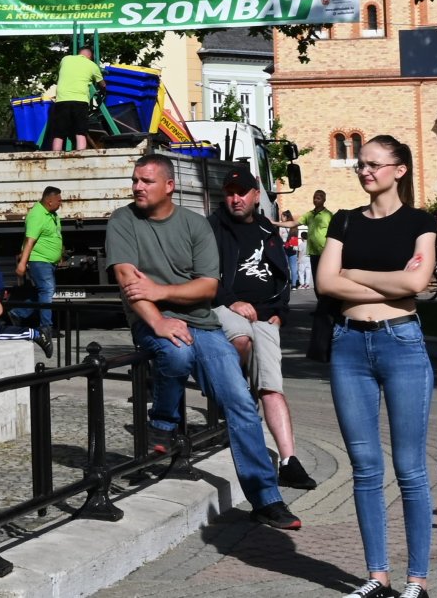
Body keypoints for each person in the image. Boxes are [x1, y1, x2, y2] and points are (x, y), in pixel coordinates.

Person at [106, 155, 299, 531]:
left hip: (203, 322)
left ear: (169, 186)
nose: (137, 187)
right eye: (135, 180)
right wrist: (159, 320)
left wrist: (161, 290)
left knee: (241, 402)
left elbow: (208, 286)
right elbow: (129, 282)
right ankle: (163, 422)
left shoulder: (194, 225)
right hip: (151, 318)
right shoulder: (123, 220)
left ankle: (266, 499)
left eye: (146, 181)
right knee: (177, 354)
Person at [316, 135, 437, 598]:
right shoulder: (344, 221)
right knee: (365, 467)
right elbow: (327, 283)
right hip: (349, 346)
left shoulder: (420, 221)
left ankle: (417, 581)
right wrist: (392, 286)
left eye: (373, 164)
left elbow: (418, 282)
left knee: (410, 469)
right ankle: (378, 576)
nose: (364, 171)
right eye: (360, 165)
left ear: (399, 169)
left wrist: (357, 275)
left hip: (402, 343)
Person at [209, 168, 316, 492]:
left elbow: (281, 271)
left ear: (256, 195)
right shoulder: (213, 227)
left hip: (266, 315)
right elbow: (205, 274)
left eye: (242, 192)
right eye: (230, 191)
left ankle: (289, 461)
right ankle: (232, 391)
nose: (236, 198)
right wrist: (231, 301)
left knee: (272, 386)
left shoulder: (266, 227)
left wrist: (281, 312)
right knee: (240, 340)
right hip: (226, 306)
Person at [16, 185, 64, 351]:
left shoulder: (52, 214)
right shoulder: (37, 215)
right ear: (49, 200)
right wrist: (23, 263)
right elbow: (30, 241)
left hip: (48, 261)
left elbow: (55, 236)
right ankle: (45, 327)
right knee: (47, 290)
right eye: (59, 200)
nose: (61, 203)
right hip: (39, 260)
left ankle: (18, 313)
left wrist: (60, 255)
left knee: (43, 292)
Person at [46, 43, 104, 152]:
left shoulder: (65, 59)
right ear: (90, 57)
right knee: (80, 132)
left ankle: (54, 156)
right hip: (80, 101)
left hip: (62, 100)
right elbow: (102, 84)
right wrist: (103, 90)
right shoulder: (92, 65)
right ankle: (80, 156)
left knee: (58, 133)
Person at [301, 189, 333, 271]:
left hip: (324, 252)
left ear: (324, 200)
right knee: (315, 278)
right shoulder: (309, 214)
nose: (315, 200)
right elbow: (294, 223)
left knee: (324, 277)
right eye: (314, 198)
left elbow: (334, 234)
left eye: (318, 198)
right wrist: (274, 223)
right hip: (313, 252)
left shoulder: (329, 215)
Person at [284, 210, 312, 289]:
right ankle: (304, 284)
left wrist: (298, 259)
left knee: (298, 270)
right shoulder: (294, 228)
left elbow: (296, 247)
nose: (281, 218)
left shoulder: (293, 228)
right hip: (305, 257)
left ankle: (299, 284)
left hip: (291, 251)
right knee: (305, 271)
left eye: (283, 216)